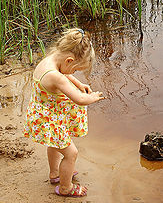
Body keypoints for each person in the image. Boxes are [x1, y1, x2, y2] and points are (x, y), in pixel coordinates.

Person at [23, 28, 105, 197]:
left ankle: (55, 174)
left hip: (44, 116)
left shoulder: (50, 60)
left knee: (54, 145)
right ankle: (66, 188)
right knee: (71, 153)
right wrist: (94, 97)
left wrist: (78, 83)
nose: (73, 73)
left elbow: (64, 73)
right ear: (69, 60)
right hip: (50, 120)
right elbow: (80, 100)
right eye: (75, 70)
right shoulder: (56, 77)